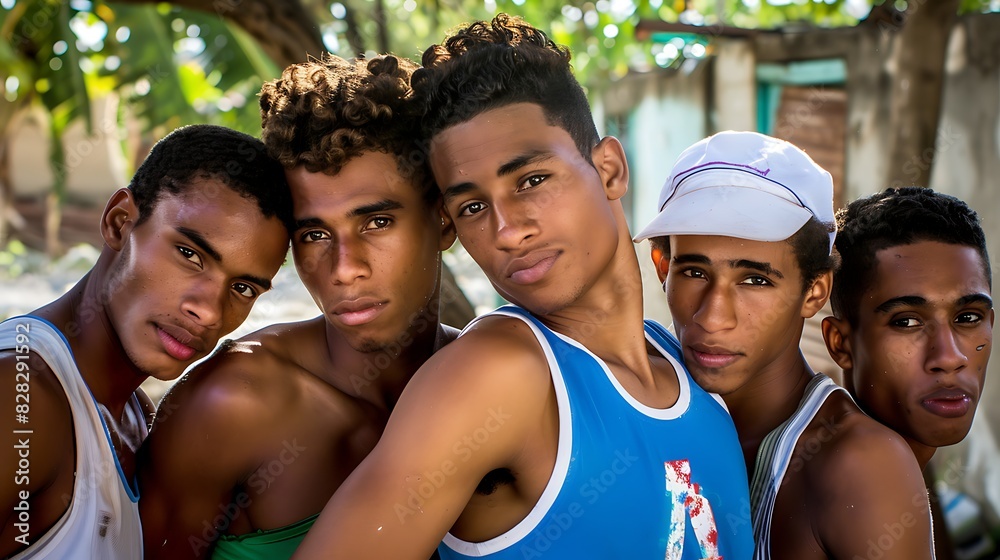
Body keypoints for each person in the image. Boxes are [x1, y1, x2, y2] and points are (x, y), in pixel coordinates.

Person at [293, 14, 754, 560]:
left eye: (531, 181)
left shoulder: (691, 366)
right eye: (472, 206)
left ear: (609, 169)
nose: (507, 230)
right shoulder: (496, 374)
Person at [138, 53, 458, 560]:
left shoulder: (483, 378)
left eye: (375, 222)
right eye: (314, 234)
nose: (343, 267)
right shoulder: (233, 403)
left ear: (443, 220)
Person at [634, 131, 935, 559]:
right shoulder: (623, 396)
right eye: (694, 272)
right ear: (662, 267)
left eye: (756, 280)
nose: (714, 315)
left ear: (814, 292)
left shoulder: (860, 465)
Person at [0, 124, 293, 559]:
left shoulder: (137, 415)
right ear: (120, 222)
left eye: (244, 288)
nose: (210, 311)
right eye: (190, 255)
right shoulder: (20, 393)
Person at [822, 187, 992, 470]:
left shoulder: (886, 470)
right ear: (841, 343)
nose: (950, 358)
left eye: (968, 318)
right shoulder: (855, 486)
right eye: (907, 322)